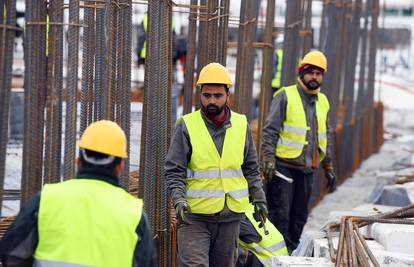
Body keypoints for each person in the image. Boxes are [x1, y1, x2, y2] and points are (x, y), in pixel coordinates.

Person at [0, 120, 157, 267]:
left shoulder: (47, 199)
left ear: (78, 161)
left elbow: (11, 254)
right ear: (120, 166)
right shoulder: (133, 214)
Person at [165, 62, 267, 267]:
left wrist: (258, 197)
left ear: (228, 95)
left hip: (230, 218)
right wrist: (179, 200)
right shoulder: (186, 125)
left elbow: (251, 168)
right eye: (207, 95)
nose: (211, 100)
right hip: (194, 217)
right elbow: (174, 170)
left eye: (217, 95)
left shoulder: (241, 124)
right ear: (200, 94)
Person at [261, 50, 337, 253]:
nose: (315, 77)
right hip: (283, 168)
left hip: (308, 169)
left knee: (299, 218)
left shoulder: (323, 101)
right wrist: (268, 159)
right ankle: (275, 257)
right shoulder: (285, 96)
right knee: (280, 216)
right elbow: (270, 131)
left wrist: (328, 165)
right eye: (310, 72)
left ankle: (291, 254)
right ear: (302, 73)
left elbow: (326, 135)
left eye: (319, 73)